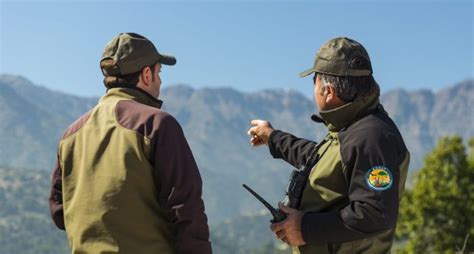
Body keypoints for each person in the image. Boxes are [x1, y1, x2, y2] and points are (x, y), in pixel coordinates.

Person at [48, 32, 212, 254]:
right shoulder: (157, 124)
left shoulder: (70, 136)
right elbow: (186, 211)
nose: (160, 80)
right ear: (146, 75)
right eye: (159, 72)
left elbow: (59, 212)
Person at [248, 37, 410, 253]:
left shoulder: (372, 137)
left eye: (314, 82)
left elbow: (375, 212)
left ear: (328, 92)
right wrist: (272, 137)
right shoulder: (352, 129)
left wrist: (305, 228)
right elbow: (321, 159)